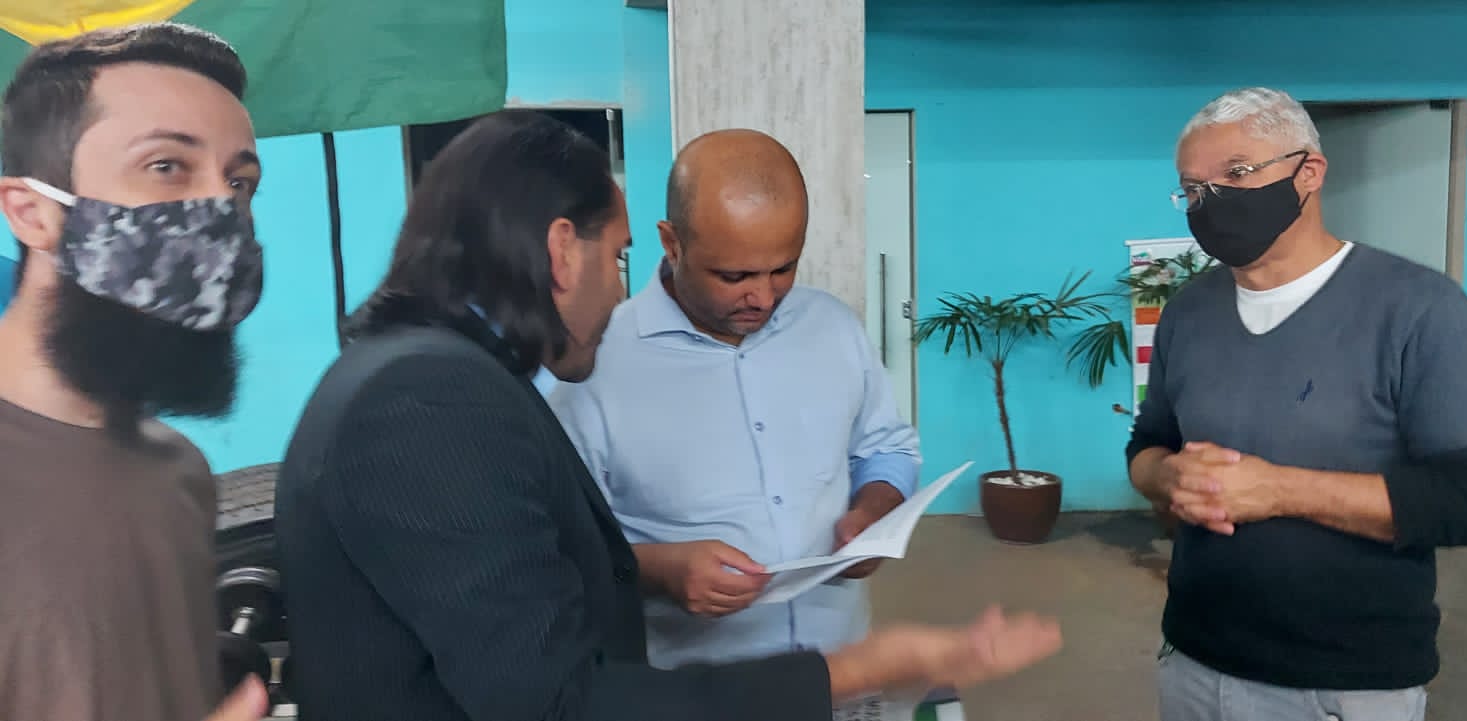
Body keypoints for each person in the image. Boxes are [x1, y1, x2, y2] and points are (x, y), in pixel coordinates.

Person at [274, 110, 1060, 721]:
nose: (619, 291)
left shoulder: (432, 377)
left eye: (782, 268)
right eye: (618, 258)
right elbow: (558, 702)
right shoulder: (426, 402)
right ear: (562, 251)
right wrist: (867, 666)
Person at [1128, 86, 1467, 721]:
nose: (1211, 201)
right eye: (1194, 189)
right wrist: (1167, 476)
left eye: (1238, 172)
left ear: (1308, 172)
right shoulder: (1187, 313)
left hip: (1343, 683)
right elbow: (1147, 444)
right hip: (1192, 660)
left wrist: (1280, 491)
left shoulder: (1419, 310)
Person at [547, 128, 919, 669]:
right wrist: (660, 571)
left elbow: (886, 448)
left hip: (841, 664)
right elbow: (563, 543)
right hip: (697, 685)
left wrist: (871, 514)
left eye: (783, 268)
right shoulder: (596, 363)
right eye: (734, 275)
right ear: (672, 244)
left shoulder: (833, 327)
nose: (763, 297)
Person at [0, 22, 268, 721]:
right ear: (31, 212)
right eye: (166, 167)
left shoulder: (179, 470)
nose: (221, 209)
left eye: (240, 182)